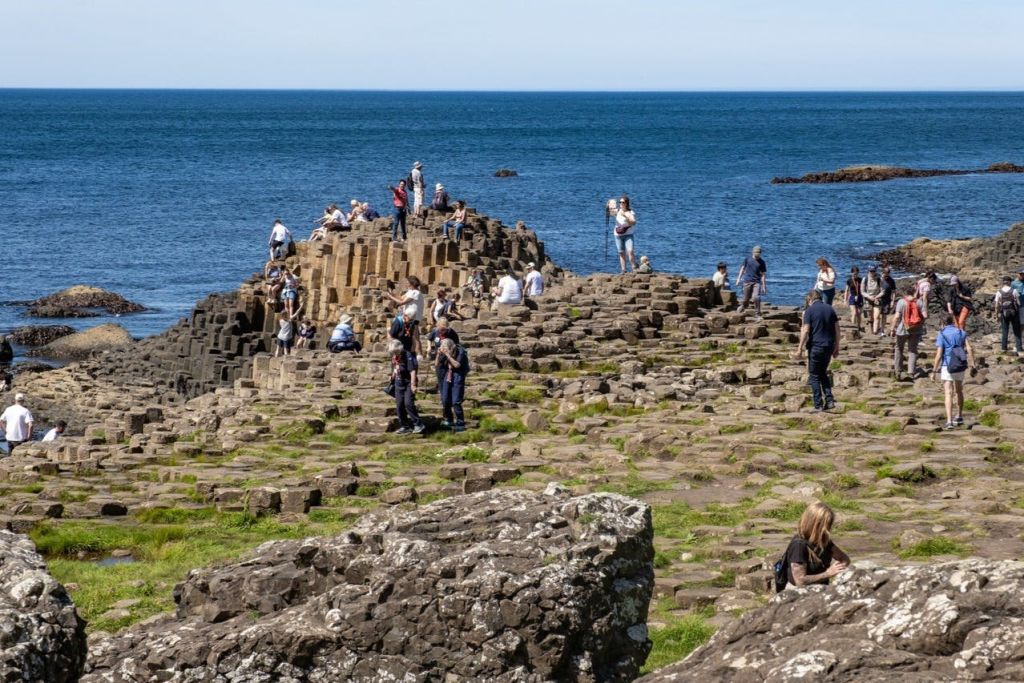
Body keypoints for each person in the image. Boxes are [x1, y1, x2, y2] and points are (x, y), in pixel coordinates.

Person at [780, 502, 851, 589]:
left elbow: (844, 559)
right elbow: (800, 581)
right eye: (826, 525)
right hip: (799, 593)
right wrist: (828, 573)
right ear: (815, 524)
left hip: (820, 589)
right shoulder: (798, 546)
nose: (828, 530)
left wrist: (839, 568)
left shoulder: (823, 540)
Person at [793, 289, 840, 411]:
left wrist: (800, 348)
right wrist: (837, 347)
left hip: (816, 346)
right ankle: (829, 400)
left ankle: (818, 404)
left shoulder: (809, 311)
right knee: (823, 373)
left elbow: (806, 330)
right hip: (828, 346)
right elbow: (837, 330)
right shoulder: (830, 309)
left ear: (810, 299)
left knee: (814, 376)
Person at [932, 314, 975, 429]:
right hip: (960, 364)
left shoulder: (942, 334)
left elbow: (939, 354)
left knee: (948, 393)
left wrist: (934, 370)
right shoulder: (961, 332)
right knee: (959, 391)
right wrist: (973, 364)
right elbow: (969, 348)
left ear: (943, 323)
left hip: (947, 365)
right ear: (952, 321)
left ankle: (949, 421)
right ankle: (959, 415)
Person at [388, 339, 425, 435]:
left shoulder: (408, 355)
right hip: (398, 383)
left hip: (408, 383)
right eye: (393, 352)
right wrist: (392, 375)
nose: (395, 354)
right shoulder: (393, 356)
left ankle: (418, 424)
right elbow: (394, 367)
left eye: (396, 352)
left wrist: (413, 385)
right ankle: (404, 426)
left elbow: (412, 371)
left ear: (400, 349)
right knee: (399, 405)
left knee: (408, 403)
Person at [890, 284, 925, 381]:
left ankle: (898, 371)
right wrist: (920, 324)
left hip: (903, 329)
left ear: (905, 292)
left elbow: (897, 317)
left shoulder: (901, 302)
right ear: (914, 292)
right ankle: (911, 372)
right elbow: (925, 315)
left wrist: (892, 329)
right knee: (912, 350)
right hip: (916, 329)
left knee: (899, 349)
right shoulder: (919, 302)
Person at [437, 338, 468, 432]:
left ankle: (460, 422)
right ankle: (449, 419)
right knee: (445, 399)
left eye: (446, 348)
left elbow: (457, 365)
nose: (444, 350)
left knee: (456, 401)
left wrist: (448, 355)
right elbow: (437, 364)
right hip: (448, 374)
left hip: (458, 375)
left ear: (450, 347)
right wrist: (439, 355)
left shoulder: (460, 351)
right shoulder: (443, 352)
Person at [736, 246, 768, 318]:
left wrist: (764, 286)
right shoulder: (747, 259)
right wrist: (738, 279)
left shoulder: (762, 262)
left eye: (758, 254)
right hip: (747, 281)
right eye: (756, 254)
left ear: (760, 254)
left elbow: (763, 275)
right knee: (746, 299)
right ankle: (743, 306)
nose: (757, 256)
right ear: (752, 252)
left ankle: (757, 313)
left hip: (757, 282)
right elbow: (742, 268)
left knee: (756, 297)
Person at [994, 276, 1022, 354]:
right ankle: (1019, 348)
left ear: (1003, 282)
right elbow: (1018, 303)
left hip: (1004, 314)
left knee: (1004, 331)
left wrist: (997, 316)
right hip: (1014, 313)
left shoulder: (999, 292)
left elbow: (996, 305)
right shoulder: (1014, 291)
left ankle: (1004, 348)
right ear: (1010, 282)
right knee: (1017, 331)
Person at [612, 196, 637, 274]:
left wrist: (625, 215)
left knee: (630, 251)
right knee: (621, 252)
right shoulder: (617, 211)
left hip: (628, 234)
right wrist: (609, 206)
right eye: (620, 202)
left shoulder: (630, 212)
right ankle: (623, 270)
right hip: (618, 235)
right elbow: (609, 212)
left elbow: (633, 222)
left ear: (626, 204)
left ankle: (634, 268)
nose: (621, 204)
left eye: (623, 202)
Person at [862, 265, 884, 335]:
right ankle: (871, 331)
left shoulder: (879, 279)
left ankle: (875, 332)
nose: (872, 272)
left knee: (876, 316)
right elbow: (862, 291)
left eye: (873, 271)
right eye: (871, 271)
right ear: (868, 271)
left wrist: (877, 297)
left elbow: (882, 291)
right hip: (868, 299)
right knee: (870, 317)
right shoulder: (865, 279)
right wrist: (869, 296)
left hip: (877, 298)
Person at [842, 266, 863, 330]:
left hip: (860, 297)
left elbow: (864, 289)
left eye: (856, 274)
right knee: (854, 313)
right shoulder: (849, 281)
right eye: (854, 274)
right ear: (851, 273)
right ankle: (853, 328)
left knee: (859, 313)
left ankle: (859, 327)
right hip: (852, 297)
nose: (855, 275)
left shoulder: (860, 280)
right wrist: (845, 300)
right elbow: (846, 290)